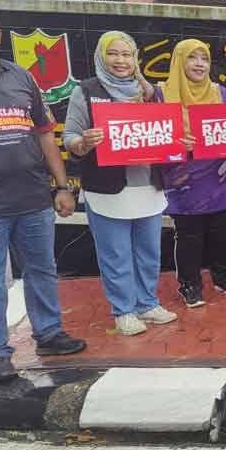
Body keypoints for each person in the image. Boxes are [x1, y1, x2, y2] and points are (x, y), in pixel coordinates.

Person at [0, 0, 86, 384]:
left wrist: (62, 186)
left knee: (42, 271)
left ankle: (48, 334)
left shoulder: (22, 77)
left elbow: (46, 133)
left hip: (33, 198)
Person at [63, 31, 178, 336]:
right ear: (101, 57)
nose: (120, 61)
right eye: (113, 54)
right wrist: (84, 142)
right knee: (116, 254)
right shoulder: (86, 91)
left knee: (149, 251)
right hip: (107, 189)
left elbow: (167, 132)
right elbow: (69, 138)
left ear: (136, 58)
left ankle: (147, 303)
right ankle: (123, 311)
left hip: (148, 186)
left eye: (127, 54)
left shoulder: (152, 92)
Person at [157, 39, 226, 308]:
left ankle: (222, 276)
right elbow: (154, 136)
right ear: (179, 61)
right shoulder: (161, 95)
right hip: (183, 179)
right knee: (189, 234)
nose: (199, 64)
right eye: (192, 58)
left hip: (220, 176)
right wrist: (177, 142)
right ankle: (190, 285)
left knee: (221, 230)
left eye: (203, 59)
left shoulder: (222, 93)